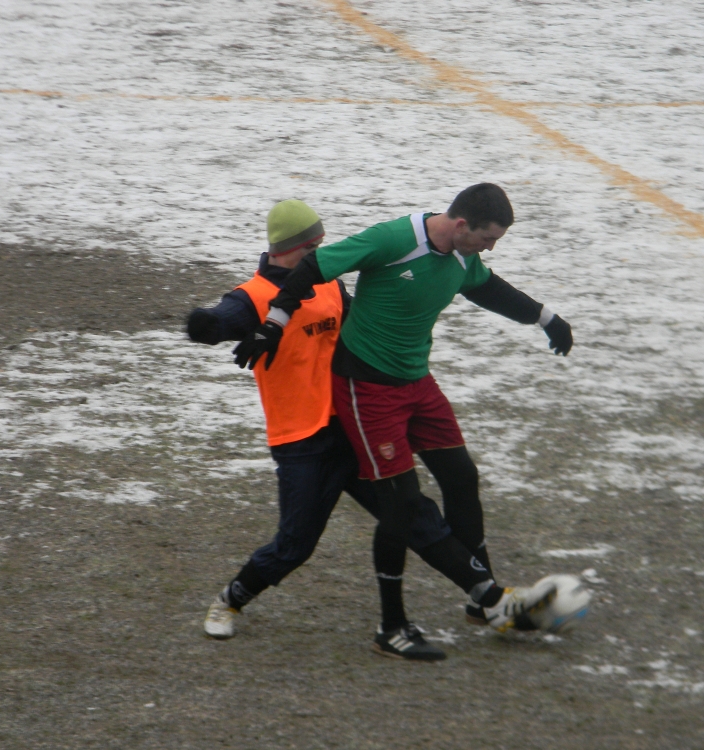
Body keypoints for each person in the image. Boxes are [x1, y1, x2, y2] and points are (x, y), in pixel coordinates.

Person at [190, 199, 553, 660]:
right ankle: (231, 599)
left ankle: (489, 599)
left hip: (352, 421)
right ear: (293, 248)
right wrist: (207, 325)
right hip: (302, 439)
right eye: (313, 245)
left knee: (413, 513)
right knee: (295, 545)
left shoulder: (330, 288)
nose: (321, 251)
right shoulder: (254, 296)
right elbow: (225, 318)